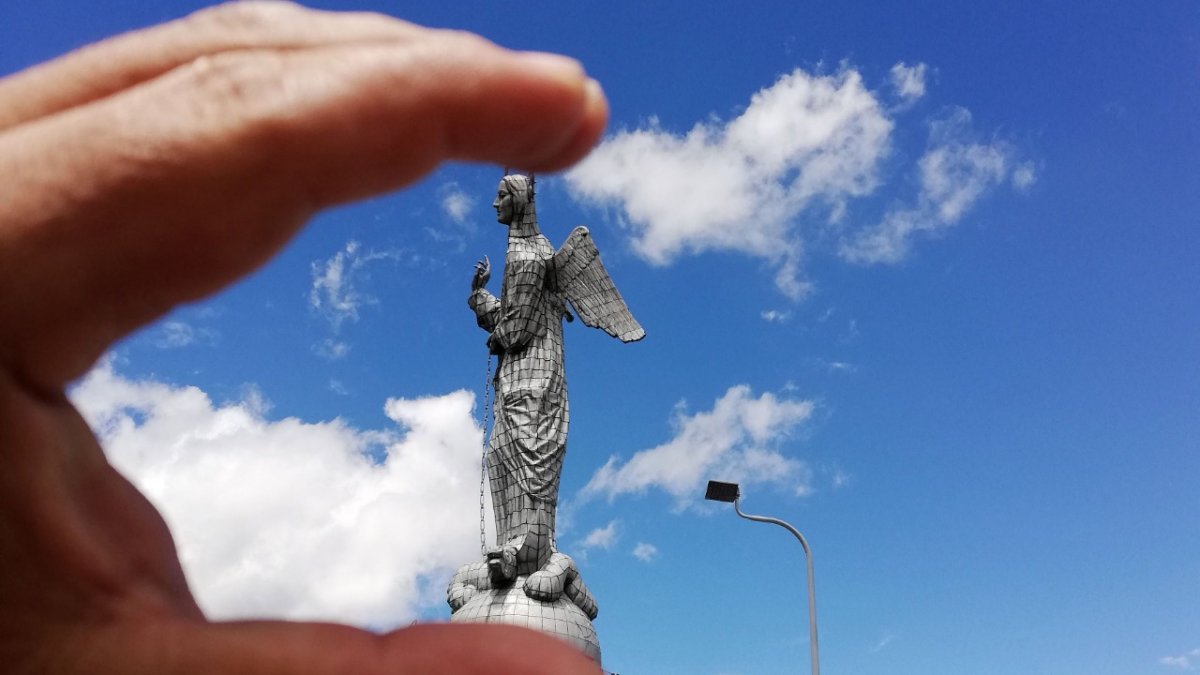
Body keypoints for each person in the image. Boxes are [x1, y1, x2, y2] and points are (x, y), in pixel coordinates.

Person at [0, 2, 607, 674]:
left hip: (530, 390)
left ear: (519, 198)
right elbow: (514, 328)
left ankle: (531, 551)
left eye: (502, 194)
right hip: (518, 385)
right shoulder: (526, 255)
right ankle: (520, 552)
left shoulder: (528, 257)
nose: (493, 200)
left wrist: (481, 303)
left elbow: (516, 329)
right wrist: (483, 304)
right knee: (500, 462)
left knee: (521, 463)